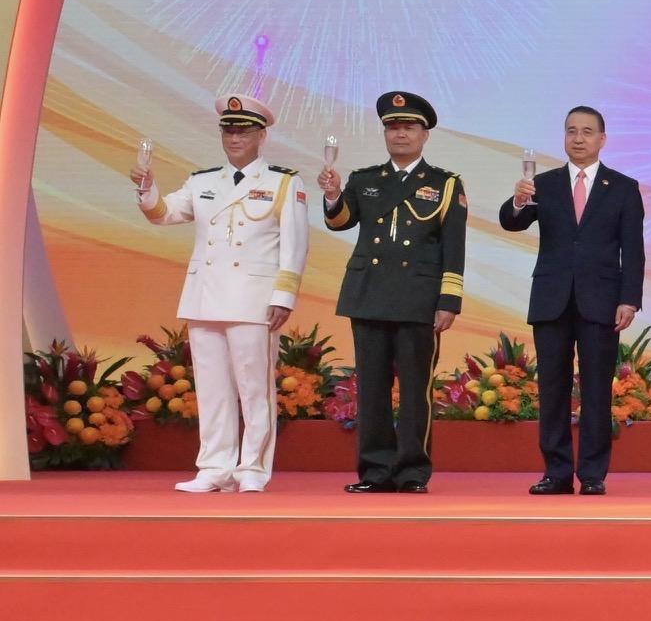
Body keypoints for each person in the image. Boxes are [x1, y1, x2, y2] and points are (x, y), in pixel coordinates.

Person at [133, 95, 310, 493]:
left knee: (253, 387)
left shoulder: (283, 182)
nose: (234, 137)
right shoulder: (202, 181)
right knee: (212, 388)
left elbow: (295, 244)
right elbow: (164, 214)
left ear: (261, 135)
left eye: (244, 130)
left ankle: (252, 469)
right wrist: (147, 189)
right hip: (205, 295)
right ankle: (214, 466)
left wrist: (284, 295)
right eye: (229, 130)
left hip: (254, 298)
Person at [321, 91, 463, 494]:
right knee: (371, 389)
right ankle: (376, 471)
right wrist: (332, 194)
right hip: (369, 294)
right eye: (393, 127)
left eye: (409, 127)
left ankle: (413, 471)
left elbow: (454, 247)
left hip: (418, 299)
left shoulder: (444, 184)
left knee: (416, 391)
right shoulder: (365, 180)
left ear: (424, 134)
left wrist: (448, 300)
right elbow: (340, 222)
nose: (400, 134)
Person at [500, 106, 644, 497]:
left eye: (587, 132)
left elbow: (633, 251)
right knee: (552, 389)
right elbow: (511, 222)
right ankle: (557, 472)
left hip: (602, 301)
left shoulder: (624, 187)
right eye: (571, 131)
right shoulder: (541, 184)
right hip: (552, 299)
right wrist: (517, 201)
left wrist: (629, 299)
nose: (578, 138)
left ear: (602, 139)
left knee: (597, 390)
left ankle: (593, 474)